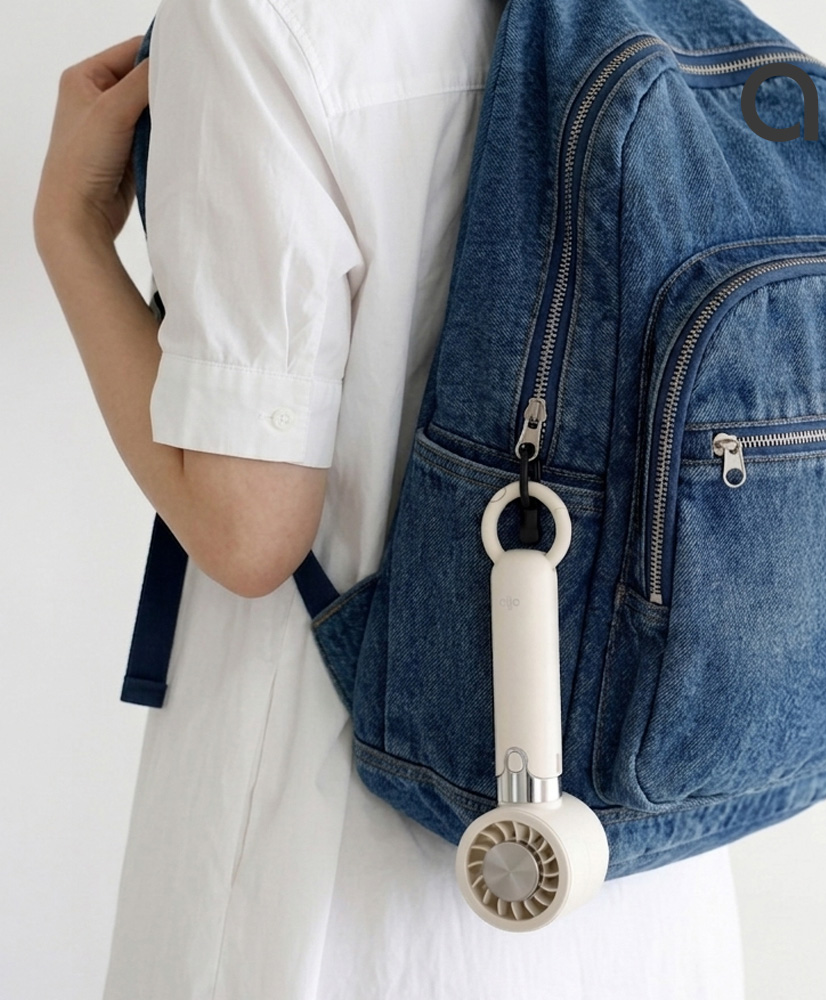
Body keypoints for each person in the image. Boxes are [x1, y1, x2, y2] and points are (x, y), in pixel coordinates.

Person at [34, 1, 745, 996]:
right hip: (635, 837)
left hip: (347, 838)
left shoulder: (250, 16)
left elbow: (249, 530)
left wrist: (69, 230)